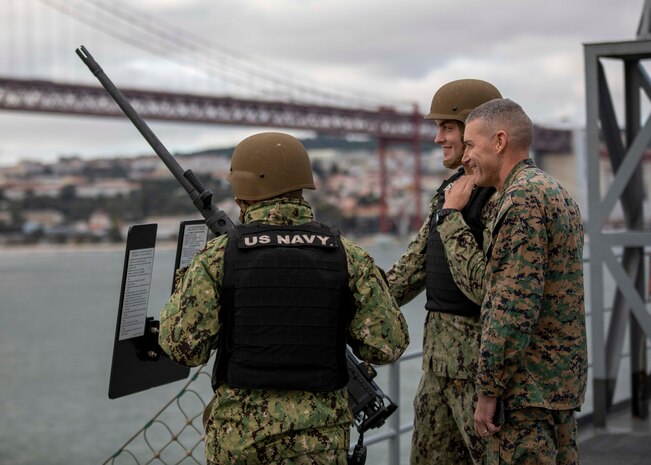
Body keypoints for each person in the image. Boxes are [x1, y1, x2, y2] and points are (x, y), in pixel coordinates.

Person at [158, 131, 409, 465]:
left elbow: (183, 348)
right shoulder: (348, 256)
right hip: (321, 443)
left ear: (244, 189)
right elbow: (388, 344)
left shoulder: (216, 258)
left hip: (240, 442)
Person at [453, 98, 587, 465]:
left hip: (526, 394)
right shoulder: (555, 192)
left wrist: (488, 390)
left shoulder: (520, 201)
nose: (464, 157)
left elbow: (511, 306)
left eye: (470, 144)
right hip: (559, 384)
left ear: (499, 141)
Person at [386, 79, 502, 465]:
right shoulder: (450, 191)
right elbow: (411, 270)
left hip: (480, 373)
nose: (438, 138)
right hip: (438, 367)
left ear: (475, 129)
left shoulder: (504, 198)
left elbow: (493, 290)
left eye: (446, 127)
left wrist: (453, 216)